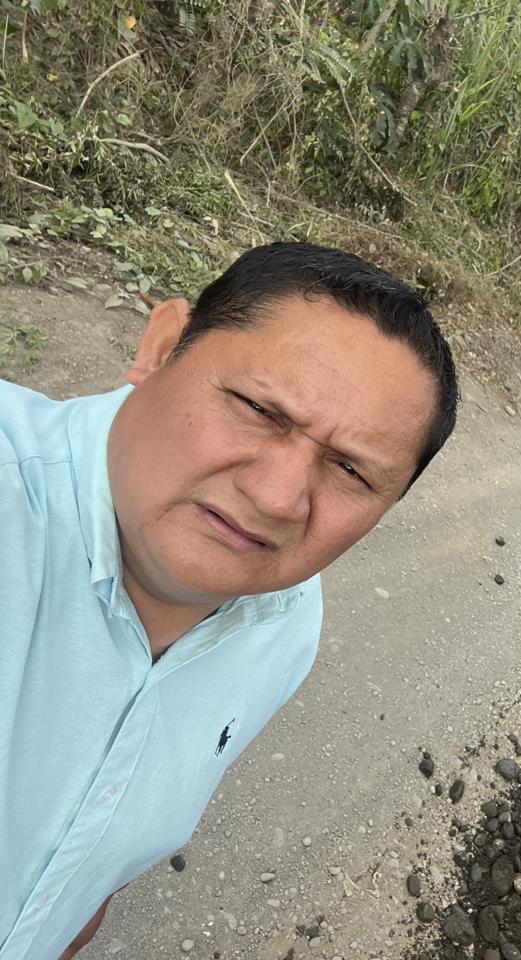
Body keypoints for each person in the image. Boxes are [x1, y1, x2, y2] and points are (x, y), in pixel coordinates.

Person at [0, 242, 459, 960]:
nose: (275, 497)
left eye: (350, 470)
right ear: (161, 348)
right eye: (258, 409)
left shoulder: (286, 626)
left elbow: (88, 866)